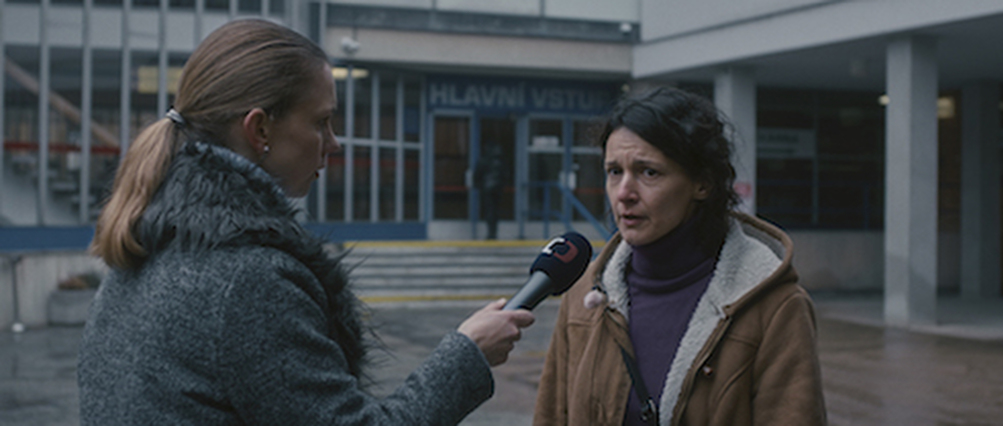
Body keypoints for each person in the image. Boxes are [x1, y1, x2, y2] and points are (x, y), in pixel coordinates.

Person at [78, 19, 534, 425]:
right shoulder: (248, 282)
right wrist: (467, 353)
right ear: (259, 129)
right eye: (321, 122)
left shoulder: (145, 250)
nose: (333, 143)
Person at [533, 87, 826, 426]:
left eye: (649, 172)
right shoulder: (586, 293)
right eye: (614, 171)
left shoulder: (774, 306)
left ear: (702, 183)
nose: (624, 193)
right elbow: (551, 415)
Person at [475, 143, 504, 240]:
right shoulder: (500, 162)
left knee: (489, 211)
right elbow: (505, 175)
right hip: (497, 189)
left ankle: (491, 233)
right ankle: (493, 232)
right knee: (495, 211)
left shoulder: (483, 161)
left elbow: (477, 175)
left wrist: (479, 186)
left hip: (487, 190)